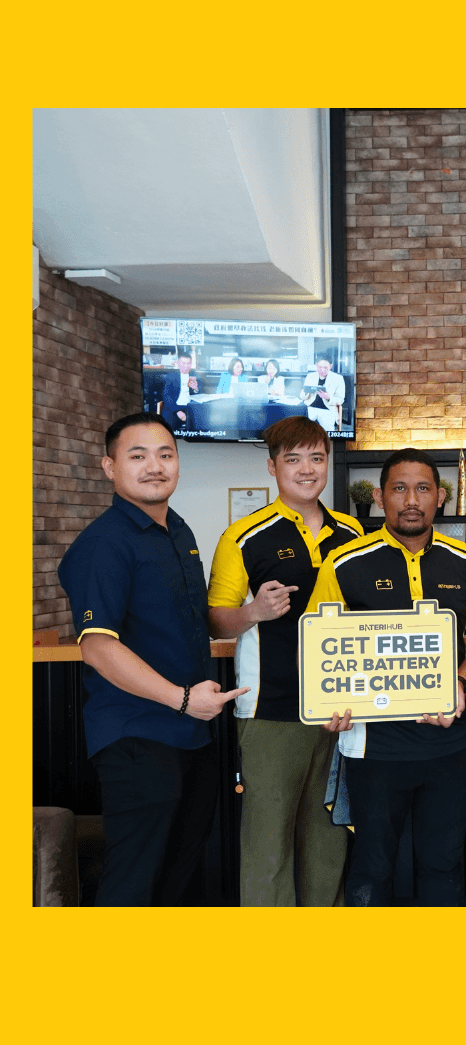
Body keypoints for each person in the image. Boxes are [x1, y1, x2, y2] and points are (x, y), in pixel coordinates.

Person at [57, 413, 248, 905]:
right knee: (135, 881)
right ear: (109, 466)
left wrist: (251, 612)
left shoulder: (176, 529)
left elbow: (189, 622)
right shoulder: (103, 545)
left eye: (165, 454)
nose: (154, 466)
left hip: (191, 734)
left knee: (178, 874)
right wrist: (182, 700)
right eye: (137, 456)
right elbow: (98, 647)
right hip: (139, 736)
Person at [311, 448, 466, 905]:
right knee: (372, 867)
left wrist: (457, 684)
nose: (410, 499)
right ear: (379, 497)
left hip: (452, 744)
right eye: (398, 488)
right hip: (374, 747)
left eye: (422, 489)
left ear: (440, 498)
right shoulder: (343, 562)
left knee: (443, 863)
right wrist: (326, 703)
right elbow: (318, 649)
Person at [207, 416, 363, 906]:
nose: (306, 469)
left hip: (339, 713)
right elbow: (215, 621)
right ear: (273, 466)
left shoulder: (353, 531)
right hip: (271, 709)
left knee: (328, 836)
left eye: (316, 457)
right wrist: (253, 611)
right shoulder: (244, 535)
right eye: (293, 459)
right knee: (267, 842)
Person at [301, 358, 346, 433]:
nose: (322, 370)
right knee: (305, 432)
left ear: (330, 366)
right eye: (319, 367)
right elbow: (302, 396)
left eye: (325, 368)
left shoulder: (338, 378)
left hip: (327, 408)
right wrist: (306, 391)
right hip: (310, 407)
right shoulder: (310, 376)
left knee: (327, 433)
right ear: (316, 366)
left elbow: (340, 400)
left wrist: (328, 398)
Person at [161, 350, 199, 431]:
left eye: (188, 363)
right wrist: (178, 411)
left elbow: (201, 395)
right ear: (178, 363)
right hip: (174, 407)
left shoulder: (195, 376)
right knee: (168, 428)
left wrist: (196, 389)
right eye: (183, 363)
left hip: (190, 407)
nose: (186, 366)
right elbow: (166, 396)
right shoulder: (171, 377)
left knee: (198, 425)